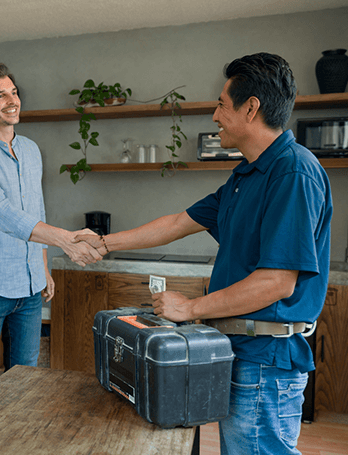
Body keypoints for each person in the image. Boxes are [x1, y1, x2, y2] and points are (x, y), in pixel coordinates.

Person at [76, 53, 332, 455]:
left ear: (251, 108)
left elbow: (277, 282)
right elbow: (178, 222)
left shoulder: (293, 173)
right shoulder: (246, 175)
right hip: (239, 352)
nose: (214, 116)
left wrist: (190, 308)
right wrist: (104, 243)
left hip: (266, 361)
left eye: (220, 104)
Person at [0, 63, 101, 404]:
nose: (12, 101)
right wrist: (65, 238)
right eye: (0, 95)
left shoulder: (32, 150)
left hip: (30, 284)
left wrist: (44, 268)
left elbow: (36, 211)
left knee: (26, 379)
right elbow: (3, 215)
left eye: (14, 92)